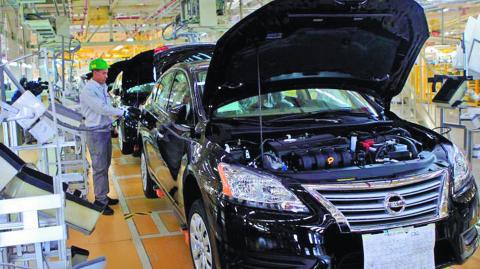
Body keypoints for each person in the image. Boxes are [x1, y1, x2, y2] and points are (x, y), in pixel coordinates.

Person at [79, 58, 130, 215]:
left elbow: (108, 107)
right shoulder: (88, 90)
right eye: (103, 73)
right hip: (95, 133)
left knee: (105, 165)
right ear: (94, 73)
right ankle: (100, 201)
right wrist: (123, 112)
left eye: (107, 73)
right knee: (99, 167)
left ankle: (104, 195)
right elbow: (101, 108)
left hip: (104, 130)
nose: (106, 76)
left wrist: (116, 118)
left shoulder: (101, 86)